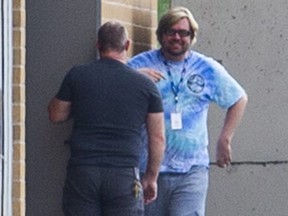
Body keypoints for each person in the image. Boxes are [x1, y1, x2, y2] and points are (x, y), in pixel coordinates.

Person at [128, 6, 248, 216]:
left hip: (192, 170)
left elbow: (239, 99)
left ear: (191, 36)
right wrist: (136, 77)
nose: (177, 37)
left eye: (183, 32)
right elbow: (113, 87)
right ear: (161, 34)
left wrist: (225, 139)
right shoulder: (141, 64)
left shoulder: (206, 68)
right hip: (149, 170)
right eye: (171, 31)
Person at [48, 21, 166, 216]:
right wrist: (151, 177)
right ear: (127, 45)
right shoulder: (146, 86)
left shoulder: (77, 75)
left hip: (83, 171)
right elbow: (158, 137)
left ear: (98, 45)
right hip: (124, 175)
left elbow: (56, 114)